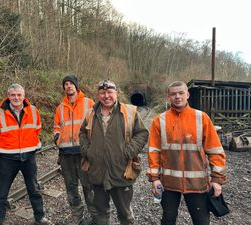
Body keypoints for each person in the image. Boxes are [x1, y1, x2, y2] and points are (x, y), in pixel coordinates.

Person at [147, 81, 226, 225]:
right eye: (173, 94)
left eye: (181, 93)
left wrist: (216, 180)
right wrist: (154, 178)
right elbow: (154, 152)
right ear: (168, 97)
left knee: (201, 221)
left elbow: (215, 151)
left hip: (197, 184)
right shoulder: (159, 121)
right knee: (168, 219)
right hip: (168, 184)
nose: (177, 96)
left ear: (187, 95)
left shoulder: (201, 118)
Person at [79, 80, 148, 225]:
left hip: (121, 172)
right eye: (102, 93)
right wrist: (88, 151)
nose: (106, 96)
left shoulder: (129, 111)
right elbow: (82, 134)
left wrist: (128, 152)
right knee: (101, 213)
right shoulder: (91, 113)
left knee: (125, 214)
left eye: (110, 92)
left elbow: (142, 133)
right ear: (98, 95)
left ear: (116, 93)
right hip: (97, 172)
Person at [0, 83, 51, 225]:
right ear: (8, 96)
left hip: (29, 157)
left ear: (24, 96)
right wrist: (9, 145)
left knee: (34, 189)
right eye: (13, 95)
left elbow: (37, 129)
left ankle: (40, 217)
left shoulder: (33, 110)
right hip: (7, 158)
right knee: (2, 193)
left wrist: (27, 145)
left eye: (19, 95)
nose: (16, 98)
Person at [53, 74, 96, 224]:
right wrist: (57, 135)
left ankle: (94, 216)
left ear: (76, 86)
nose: (68, 86)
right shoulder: (60, 108)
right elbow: (57, 126)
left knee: (88, 187)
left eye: (71, 84)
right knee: (71, 188)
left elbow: (96, 125)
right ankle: (77, 217)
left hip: (83, 153)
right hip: (65, 154)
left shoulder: (89, 103)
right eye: (66, 84)